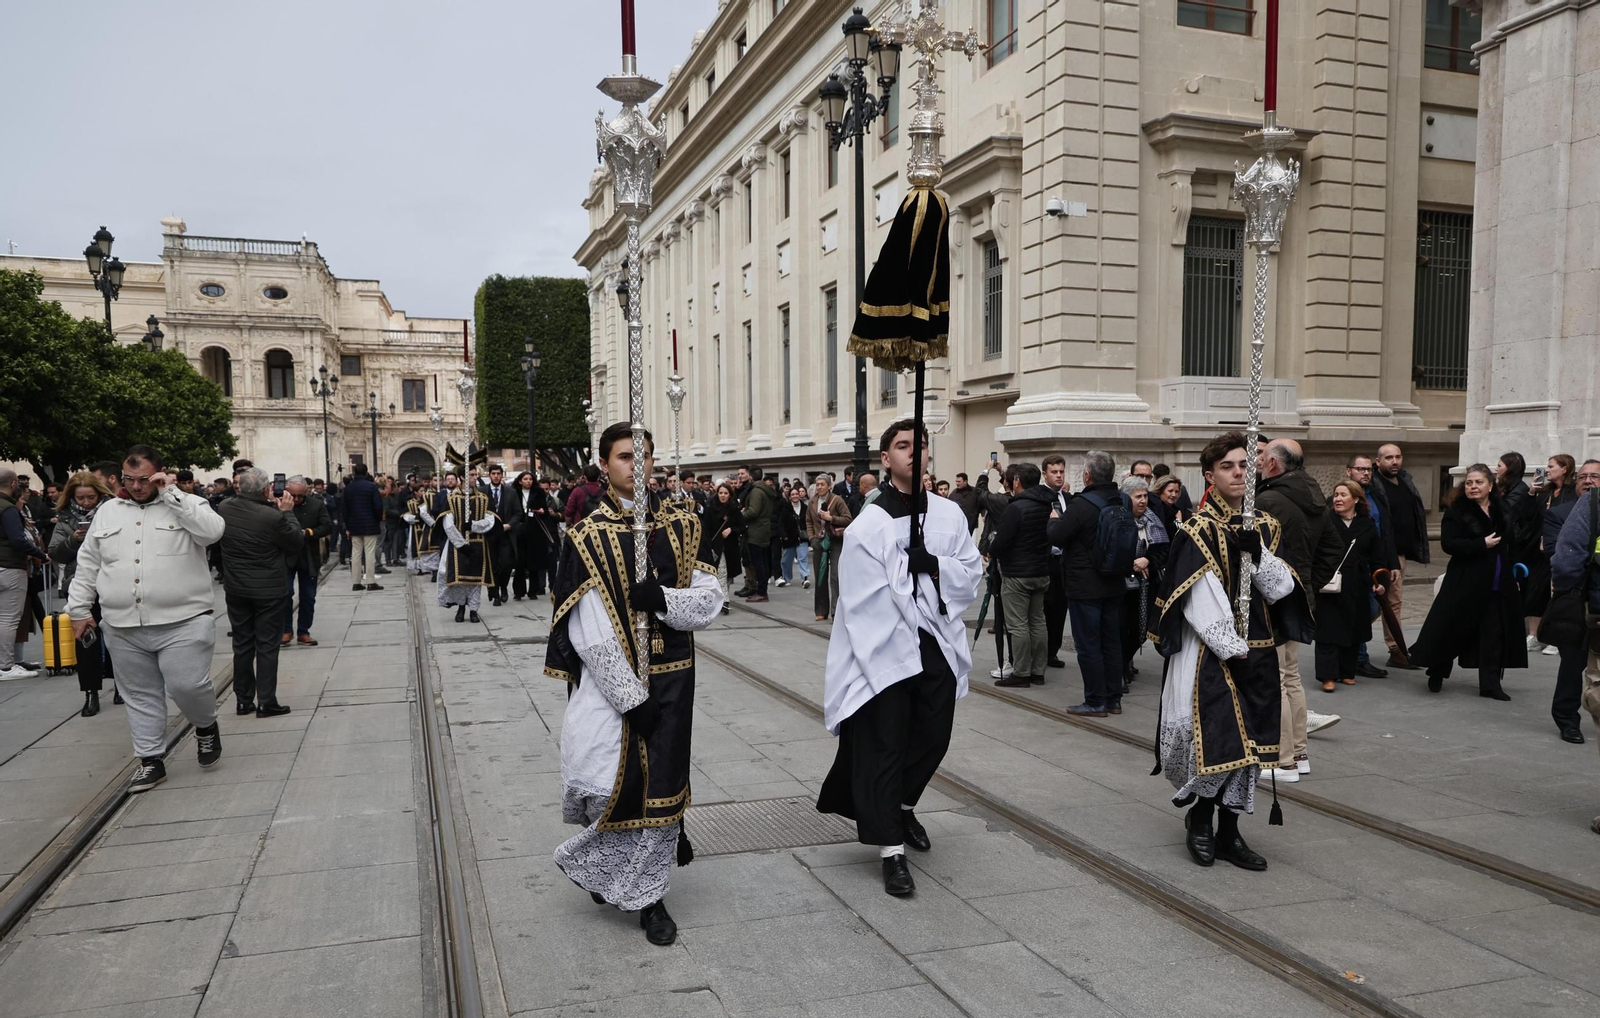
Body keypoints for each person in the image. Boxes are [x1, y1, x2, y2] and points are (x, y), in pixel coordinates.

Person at [545, 422, 722, 945]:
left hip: (673, 682)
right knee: (610, 786)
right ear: (604, 465)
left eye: (642, 456)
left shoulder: (685, 525)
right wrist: (629, 698)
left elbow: (711, 600)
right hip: (611, 692)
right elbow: (589, 631)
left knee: (661, 790)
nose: (635, 465)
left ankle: (650, 898)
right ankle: (614, 872)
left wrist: (663, 600)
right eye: (624, 457)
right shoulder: (586, 536)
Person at [818, 419, 982, 897]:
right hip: (886, 646)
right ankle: (891, 850)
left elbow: (970, 571)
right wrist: (904, 597)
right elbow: (859, 598)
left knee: (934, 737)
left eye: (921, 445)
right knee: (886, 744)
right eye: (904, 445)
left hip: (936, 643)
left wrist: (934, 565)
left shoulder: (949, 514)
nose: (915, 452)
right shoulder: (870, 523)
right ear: (886, 458)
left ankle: (904, 807)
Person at [1152, 431, 1308, 873]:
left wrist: (1258, 557)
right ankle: (1201, 820)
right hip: (1211, 653)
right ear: (1210, 476)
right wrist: (1229, 645)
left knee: (1254, 744)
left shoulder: (1266, 526)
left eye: (1244, 464)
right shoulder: (1196, 529)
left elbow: (1281, 589)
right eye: (1227, 467)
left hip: (1260, 649)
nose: (1239, 473)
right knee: (1220, 741)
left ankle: (1230, 831)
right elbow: (1197, 595)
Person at [67, 445, 228, 792]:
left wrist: (171, 492)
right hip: (123, 623)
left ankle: (205, 724)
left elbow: (212, 532)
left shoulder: (188, 503)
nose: (136, 486)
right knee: (139, 694)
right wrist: (78, 610)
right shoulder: (108, 511)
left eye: (144, 479)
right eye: (129, 479)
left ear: (159, 474)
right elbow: (89, 563)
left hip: (184, 619)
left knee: (187, 685)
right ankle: (150, 759)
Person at [1409, 464, 1529, 699]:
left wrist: (1514, 575)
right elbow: (1449, 544)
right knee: (1451, 629)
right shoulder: (1456, 511)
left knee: (1493, 634)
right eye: (1469, 483)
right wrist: (1481, 544)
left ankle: (1491, 685)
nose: (1473, 487)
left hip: (1497, 582)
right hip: (1465, 581)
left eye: (1478, 482)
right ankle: (1438, 670)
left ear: (1490, 485)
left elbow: (1511, 545)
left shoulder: (1502, 510)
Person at [1253, 438, 1326, 785]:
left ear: (1273, 464)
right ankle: (1298, 753)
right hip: (1299, 595)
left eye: (1261, 456)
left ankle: (1282, 761)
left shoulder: (1267, 500)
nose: (1256, 461)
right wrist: (1307, 583)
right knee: (1291, 675)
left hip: (1275, 598)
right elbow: (1331, 547)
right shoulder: (1314, 494)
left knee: (1277, 678)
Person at [1048, 450, 1130, 716]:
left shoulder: (1081, 505)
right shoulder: (1123, 500)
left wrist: (1053, 521)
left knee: (1088, 645)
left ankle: (1095, 701)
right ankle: (1114, 699)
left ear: (1087, 476)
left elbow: (1057, 536)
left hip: (1085, 585)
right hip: (1114, 580)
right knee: (1111, 642)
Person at [217, 468, 303, 717]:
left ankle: (243, 700)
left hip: (237, 588)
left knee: (242, 644)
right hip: (268, 590)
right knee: (267, 645)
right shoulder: (273, 516)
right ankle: (266, 701)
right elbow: (295, 542)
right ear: (266, 489)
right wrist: (287, 512)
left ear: (239, 487)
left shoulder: (224, 508)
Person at [1308, 483, 1387, 708]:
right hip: (1329, 583)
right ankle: (1327, 675)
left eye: (1343, 495)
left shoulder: (1366, 525)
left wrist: (1380, 582)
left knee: (1353, 627)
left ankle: (1347, 671)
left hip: (1357, 584)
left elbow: (1377, 556)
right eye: (1336, 495)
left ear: (1356, 499)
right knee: (1328, 629)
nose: (1338, 499)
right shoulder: (1325, 522)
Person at [50, 472, 118, 713]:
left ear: (99, 494)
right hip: (79, 583)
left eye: (91, 497)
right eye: (81, 498)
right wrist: (73, 539)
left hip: (111, 583)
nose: (86, 502)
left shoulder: (114, 511)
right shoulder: (65, 516)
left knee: (117, 636)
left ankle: (120, 684)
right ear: (72, 496)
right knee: (86, 638)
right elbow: (55, 552)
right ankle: (91, 692)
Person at [1549, 460, 1600, 758]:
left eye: (1595, 476)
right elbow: (1558, 555)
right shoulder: (1563, 512)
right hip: (1579, 604)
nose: (1589, 480)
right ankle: (1566, 717)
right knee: (1572, 663)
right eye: (1584, 476)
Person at [987, 462, 1052, 688]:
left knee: (1018, 625)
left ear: (1017, 482)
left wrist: (991, 549)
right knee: (1038, 622)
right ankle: (1038, 671)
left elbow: (1002, 541)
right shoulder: (1047, 504)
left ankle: (1022, 672)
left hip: (1017, 573)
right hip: (1040, 570)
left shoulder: (1016, 507)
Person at [1370, 443, 1431, 669]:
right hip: (1385, 554)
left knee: (1391, 602)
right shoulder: (1375, 485)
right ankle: (1395, 649)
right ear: (1378, 462)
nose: (1394, 461)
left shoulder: (1405, 480)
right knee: (1384, 603)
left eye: (1398, 456)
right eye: (1388, 458)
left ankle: (1396, 649)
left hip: (1400, 553)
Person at [1344, 454, 1393, 680]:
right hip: (1352, 567)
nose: (1365, 473)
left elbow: (1386, 531)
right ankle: (1358, 658)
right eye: (1360, 469)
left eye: (1368, 469)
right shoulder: (1340, 496)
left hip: (1374, 563)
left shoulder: (1376, 495)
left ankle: (1355, 654)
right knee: (1358, 612)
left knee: (1371, 609)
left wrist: (1391, 563)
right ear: (1349, 471)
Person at [1118, 476, 1169, 688]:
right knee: (1121, 629)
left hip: (1146, 586)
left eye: (1145, 496)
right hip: (1122, 586)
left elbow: (1163, 549)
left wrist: (1148, 560)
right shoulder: (1117, 518)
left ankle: (1126, 661)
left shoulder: (1152, 519)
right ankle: (1120, 670)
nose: (1143, 501)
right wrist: (1132, 564)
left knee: (1141, 630)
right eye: (1138, 496)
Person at [1495, 452, 1547, 655]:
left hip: (1516, 546)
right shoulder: (1506, 487)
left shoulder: (1519, 490)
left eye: (1500, 465)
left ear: (1509, 468)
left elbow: (1507, 515)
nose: (1497, 468)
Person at [0, 468, 49, 681]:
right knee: (9, 618)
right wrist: (41, 554)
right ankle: (6, 666)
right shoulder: (8, 508)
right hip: (10, 566)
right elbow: (17, 540)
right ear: (13, 484)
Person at [1533, 454, 1581, 657]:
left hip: (1561, 549)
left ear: (1564, 469)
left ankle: (1556, 636)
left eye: (1551, 466)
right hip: (1540, 548)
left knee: (1558, 592)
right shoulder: (1545, 491)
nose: (1547, 470)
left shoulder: (1573, 492)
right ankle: (1536, 635)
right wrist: (1531, 493)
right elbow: (1531, 517)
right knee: (1537, 590)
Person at [437, 480, 498, 624]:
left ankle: (474, 610)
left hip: (478, 542)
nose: (474, 478)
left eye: (475, 474)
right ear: (462, 477)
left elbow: (490, 520)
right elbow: (448, 524)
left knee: (475, 579)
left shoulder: (483, 498)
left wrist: (473, 525)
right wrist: (461, 544)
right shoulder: (451, 498)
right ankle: (461, 607)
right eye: (471, 474)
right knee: (460, 579)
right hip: (457, 544)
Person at [282, 476, 332, 646]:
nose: (296, 499)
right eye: (293, 495)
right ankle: (286, 630)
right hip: (286, 555)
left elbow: (327, 526)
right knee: (285, 593)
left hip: (308, 555)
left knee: (308, 596)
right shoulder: (280, 504)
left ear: (306, 492)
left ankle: (303, 631)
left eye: (300, 496)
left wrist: (309, 533)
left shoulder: (316, 505)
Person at [1040, 454, 1071, 670]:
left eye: (1061, 472)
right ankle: (1041, 652)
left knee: (1060, 608)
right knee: (1044, 608)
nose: (1059, 476)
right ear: (1045, 474)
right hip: (1045, 559)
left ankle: (1053, 651)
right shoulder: (1040, 497)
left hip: (1064, 561)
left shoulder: (1068, 499)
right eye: (1054, 472)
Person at [806, 475, 851, 621]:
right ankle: (821, 610)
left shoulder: (837, 500)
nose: (819, 487)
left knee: (835, 576)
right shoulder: (812, 502)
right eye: (817, 484)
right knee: (820, 576)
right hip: (819, 542)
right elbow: (808, 521)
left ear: (829, 486)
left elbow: (848, 519)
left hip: (835, 541)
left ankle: (836, 611)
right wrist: (812, 538)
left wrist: (831, 518)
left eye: (822, 484)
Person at [511, 471, 555, 599]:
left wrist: (542, 511)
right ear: (520, 481)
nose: (528, 481)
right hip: (519, 528)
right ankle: (518, 591)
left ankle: (533, 591)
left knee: (533, 562)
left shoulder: (538, 492)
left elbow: (545, 510)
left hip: (534, 530)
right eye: (525, 479)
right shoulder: (514, 492)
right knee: (520, 562)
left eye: (530, 479)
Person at [703, 482, 745, 613]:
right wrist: (708, 546)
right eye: (720, 493)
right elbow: (706, 529)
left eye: (725, 493)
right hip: (716, 546)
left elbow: (742, 526)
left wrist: (731, 529)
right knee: (721, 572)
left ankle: (721, 598)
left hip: (731, 547)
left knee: (728, 575)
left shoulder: (734, 509)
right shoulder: (710, 508)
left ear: (730, 495)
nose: (722, 495)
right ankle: (725, 601)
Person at [343, 463, 384, 591]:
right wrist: (377, 519)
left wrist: (347, 525)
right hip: (370, 524)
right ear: (366, 473)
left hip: (354, 525)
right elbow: (378, 506)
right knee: (369, 552)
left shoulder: (348, 488)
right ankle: (370, 581)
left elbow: (344, 509)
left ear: (354, 473)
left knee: (356, 553)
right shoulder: (371, 486)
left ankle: (356, 582)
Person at [740, 465, 775, 602]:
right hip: (764, 528)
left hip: (756, 530)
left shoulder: (756, 491)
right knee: (763, 561)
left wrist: (741, 514)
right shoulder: (765, 489)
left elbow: (754, 511)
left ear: (750, 476)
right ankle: (762, 590)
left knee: (758, 563)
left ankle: (762, 592)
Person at [777, 485, 810, 588]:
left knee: (802, 558)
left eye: (797, 494)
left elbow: (809, 522)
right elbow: (781, 522)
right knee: (786, 560)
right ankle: (786, 578)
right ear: (790, 496)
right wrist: (783, 535)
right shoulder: (786, 508)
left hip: (802, 538)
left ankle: (804, 578)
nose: (795, 496)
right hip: (789, 538)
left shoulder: (805, 508)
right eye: (793, 494)